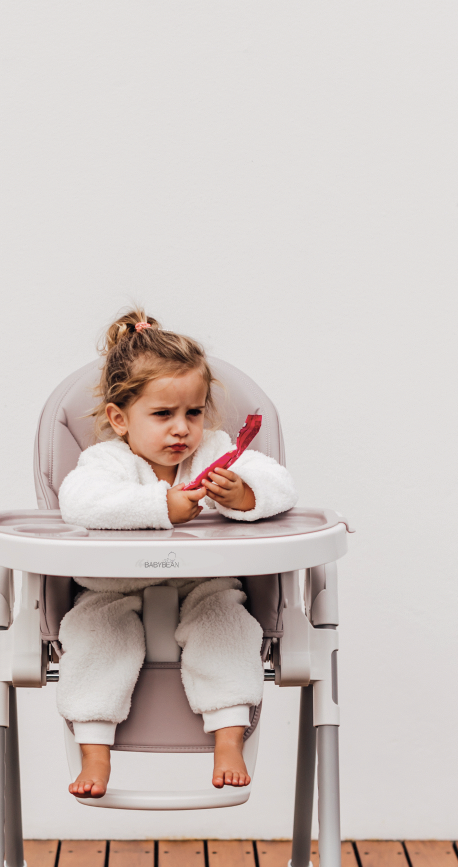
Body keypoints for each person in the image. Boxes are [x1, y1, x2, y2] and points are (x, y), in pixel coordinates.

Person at [57, 309, 297, 797]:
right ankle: (94, 749)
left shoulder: (214, 451)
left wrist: (245, 495)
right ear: (120, 419)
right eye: (163, 415)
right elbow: (77, 501)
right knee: (93, 633)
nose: (182, 429)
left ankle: (229, 735)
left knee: (228, 625)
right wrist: (161, 504)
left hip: (204, 582)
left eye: (193, 412)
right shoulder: (107, 461)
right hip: (114, 586)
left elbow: (280, 484)